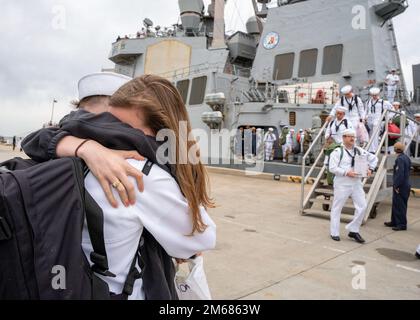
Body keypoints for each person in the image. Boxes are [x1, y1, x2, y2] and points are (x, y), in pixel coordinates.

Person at [24, 75, 217, 300]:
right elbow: (200, 238)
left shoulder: (55, 153)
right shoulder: (137, 174)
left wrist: (85, 147)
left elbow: (34, 140)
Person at [329, 129, 378, 243]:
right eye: (349, 136)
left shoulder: (359, 151)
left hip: (356, 183)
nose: (352, 139)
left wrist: (370, 169)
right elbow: (332, 168)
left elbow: (374, 158)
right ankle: (334, 232)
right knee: (337, 208)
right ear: (343, 138)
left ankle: (353, 230)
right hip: (342, 183)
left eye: (353, 137)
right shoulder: (337, 152)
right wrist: (347, 172)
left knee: (363, 206)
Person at [384, 142, 411, 231]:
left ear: (395, 149)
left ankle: (402, 224)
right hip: (405, 184)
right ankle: (395, 221)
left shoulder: (400, 159)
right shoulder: (406, 157)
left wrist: (396, 185)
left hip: (401, 185)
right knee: (396, 204)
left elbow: (400, 174)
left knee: (400, 205)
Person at [366, 87, 392, 153]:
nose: (374, 96)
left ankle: (374, 149)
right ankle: (370, 148)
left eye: (375, 95)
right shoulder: (368, 102)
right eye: (373, 95)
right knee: (370, 134)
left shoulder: (384, 102)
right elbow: (366, 111)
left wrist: (387, 118)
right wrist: (364, 117)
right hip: (369, 119)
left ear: (378, 94)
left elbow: (392, 110)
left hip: (378, 119)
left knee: (375, 134)